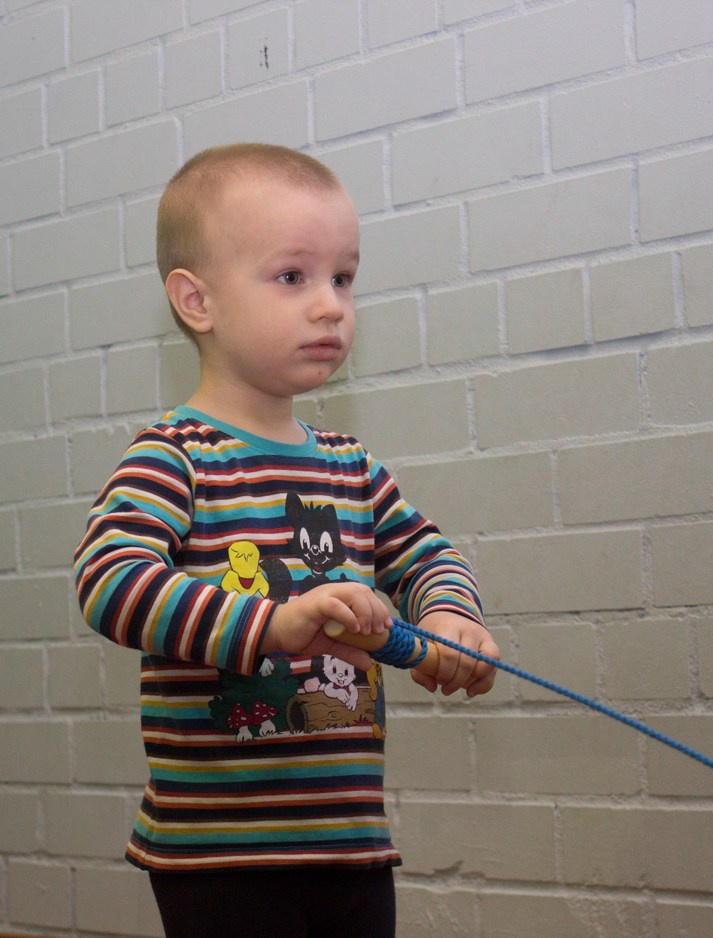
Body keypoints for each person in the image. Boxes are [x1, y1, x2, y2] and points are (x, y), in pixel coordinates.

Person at [73, 143, 500, 938]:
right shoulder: (177, 456)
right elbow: (110, 580)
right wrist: (272, 624)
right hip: (221, 858)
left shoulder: (351, 466)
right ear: (197, 301)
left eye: (344, 278)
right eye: (293, 277)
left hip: (351, 849)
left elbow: (428, 556)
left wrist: (450, 618)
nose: (332, 305)